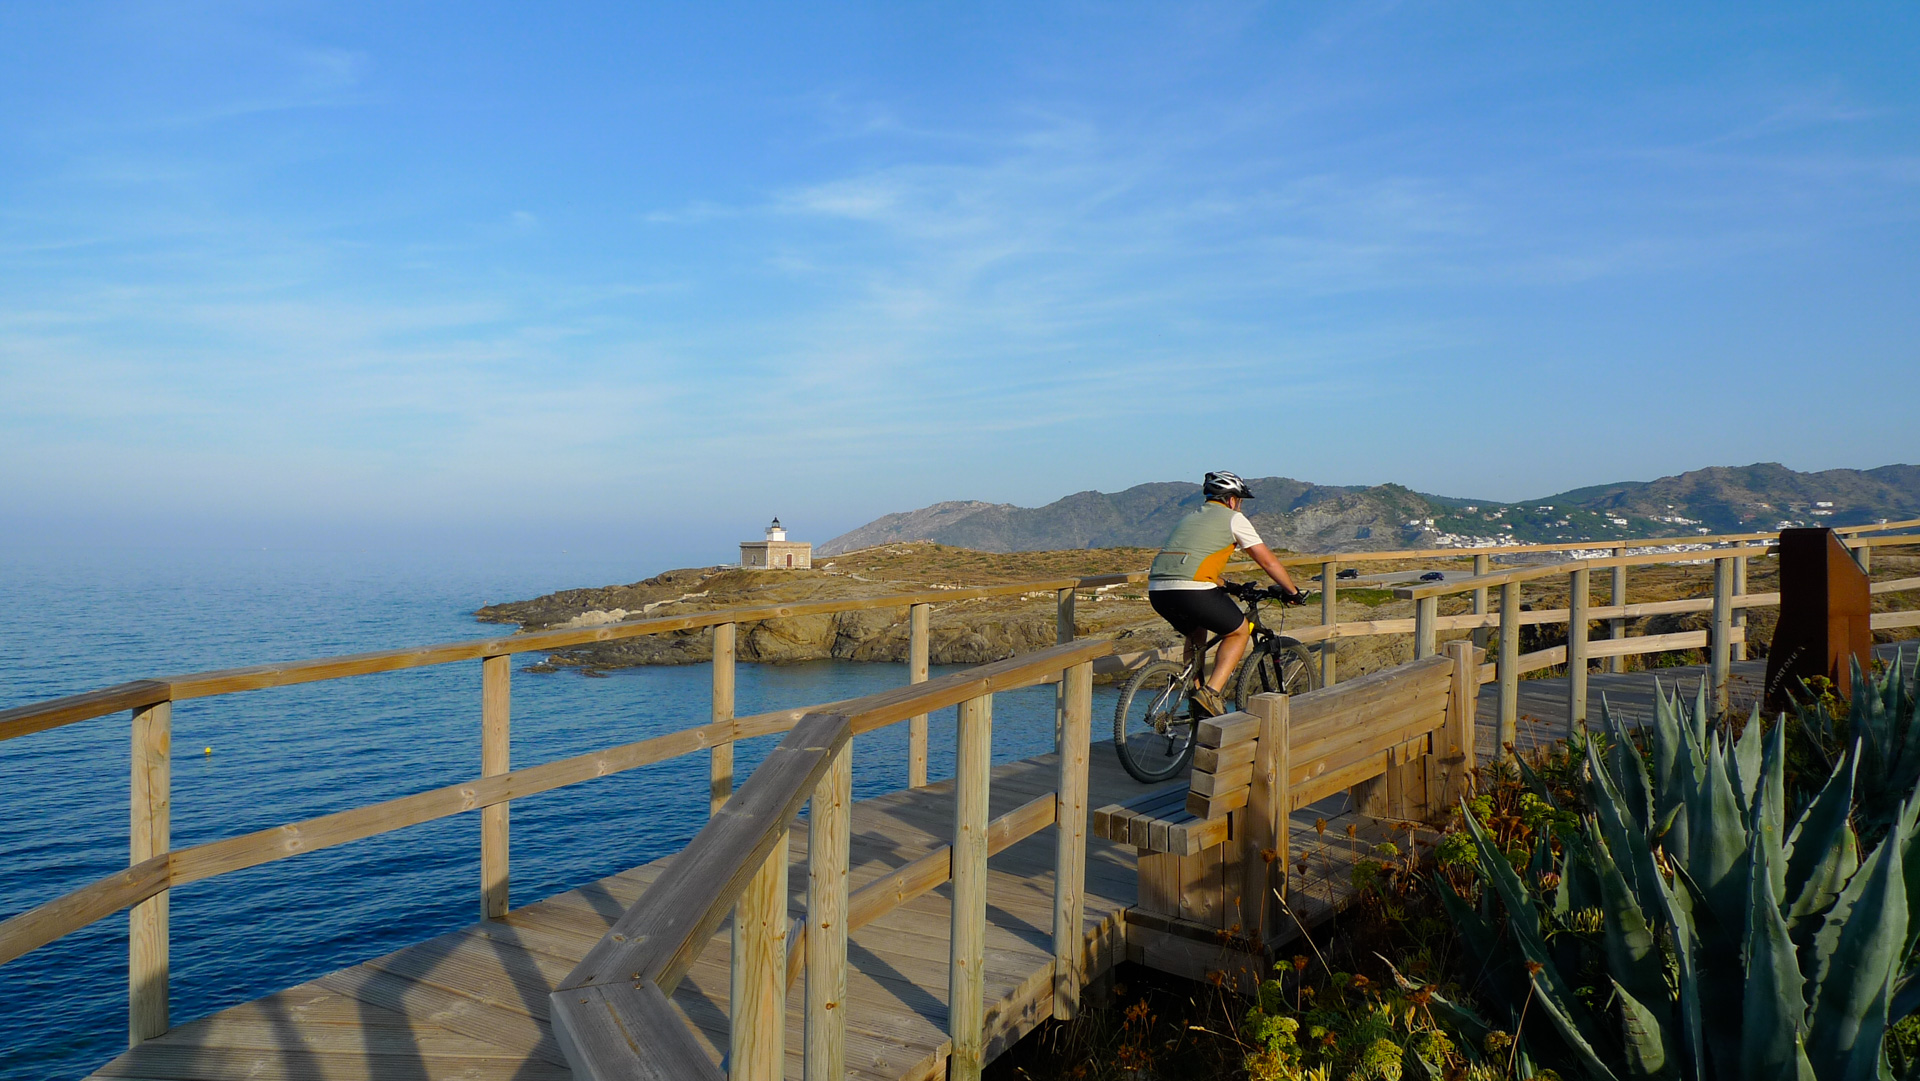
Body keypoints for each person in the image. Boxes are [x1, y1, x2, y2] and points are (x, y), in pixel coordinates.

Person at [1147, 470, 1306, 717]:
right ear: (1231, 499)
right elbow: (1268, 562)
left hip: (1158, 590)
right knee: (1239, 631)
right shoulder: (1234, 519)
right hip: (1193, 590)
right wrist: (1293, 591)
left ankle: (1194, 695)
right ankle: (1210, 693)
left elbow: (1191, 561)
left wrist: (1225, 583)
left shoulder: (1188, 519)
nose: (1239, 506)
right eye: (1239, 501)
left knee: (1196, 632)